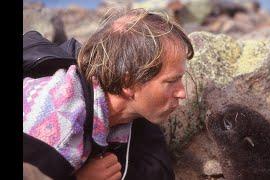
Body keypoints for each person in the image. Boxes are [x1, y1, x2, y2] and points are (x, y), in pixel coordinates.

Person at [23, 8, 194, 180]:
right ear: (129, 83)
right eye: (171, 81)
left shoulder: (123, 107)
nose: (182, 93)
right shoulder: (57, 130)